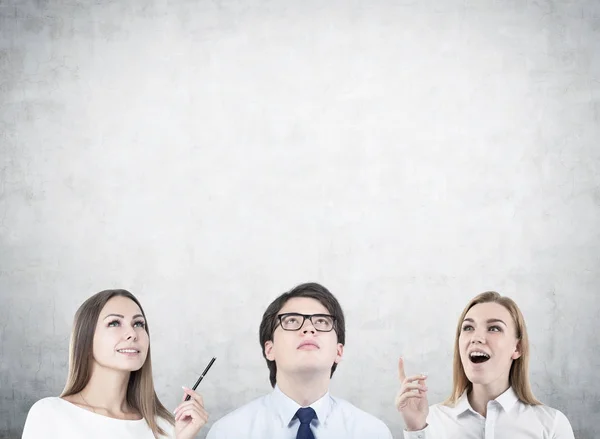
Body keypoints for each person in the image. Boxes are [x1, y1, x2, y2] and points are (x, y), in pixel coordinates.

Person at [207, 282, 392, 438]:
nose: (309, 329)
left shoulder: (372, 432)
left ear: (338, 351)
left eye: (322, 322)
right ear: (269, 349)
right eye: (292, 321)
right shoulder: (229, 432)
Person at [22, 289, 209, 438]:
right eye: (114, 323)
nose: (132, 334)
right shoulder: (51, 414)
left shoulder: (165, 428)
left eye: (138, 324)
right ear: (85, 338)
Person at [395, 291, 575, 439]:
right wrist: (416, 429)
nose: (476, 338)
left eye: (494, 328)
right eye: (468, 328)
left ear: (517, 347)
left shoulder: (551, 425)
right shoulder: (430, 421)